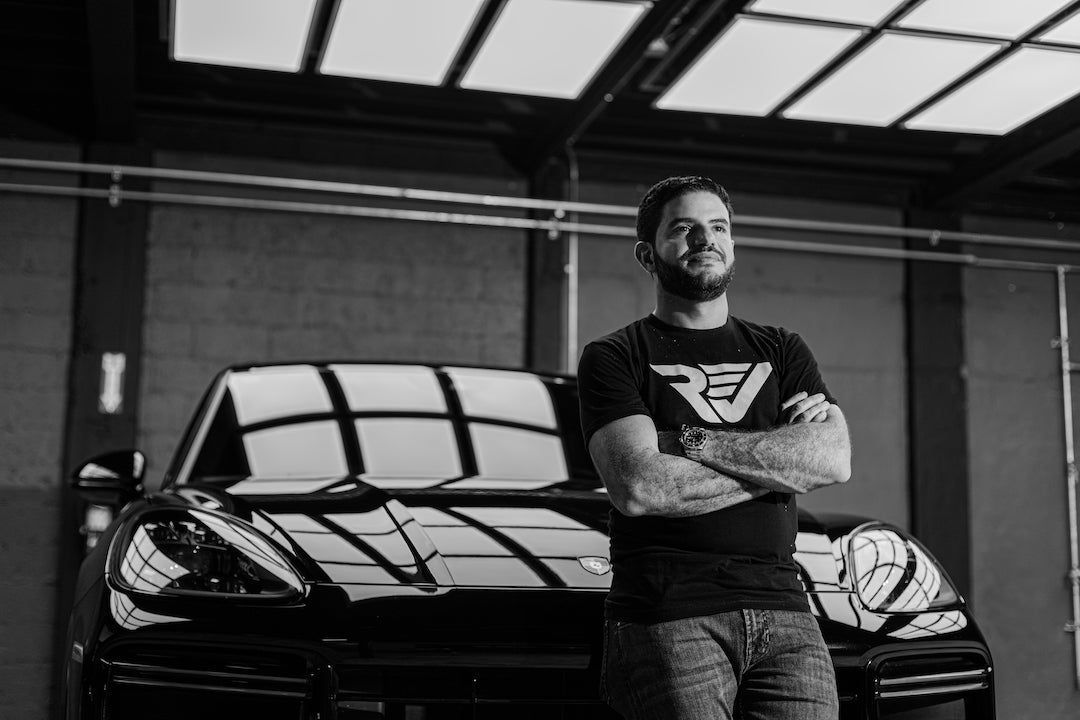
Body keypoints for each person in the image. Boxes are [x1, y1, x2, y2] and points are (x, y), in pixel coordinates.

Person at [577, 176, 851, 720]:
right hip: (668, 614)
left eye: (718, 227)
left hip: (787, 611)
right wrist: (781, 462)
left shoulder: (781, 347)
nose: (706, 239)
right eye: (684, 229)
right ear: (647, 255)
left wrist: (687, 441)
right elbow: (639, 488)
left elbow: (833, 460)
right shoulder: (615, 356)